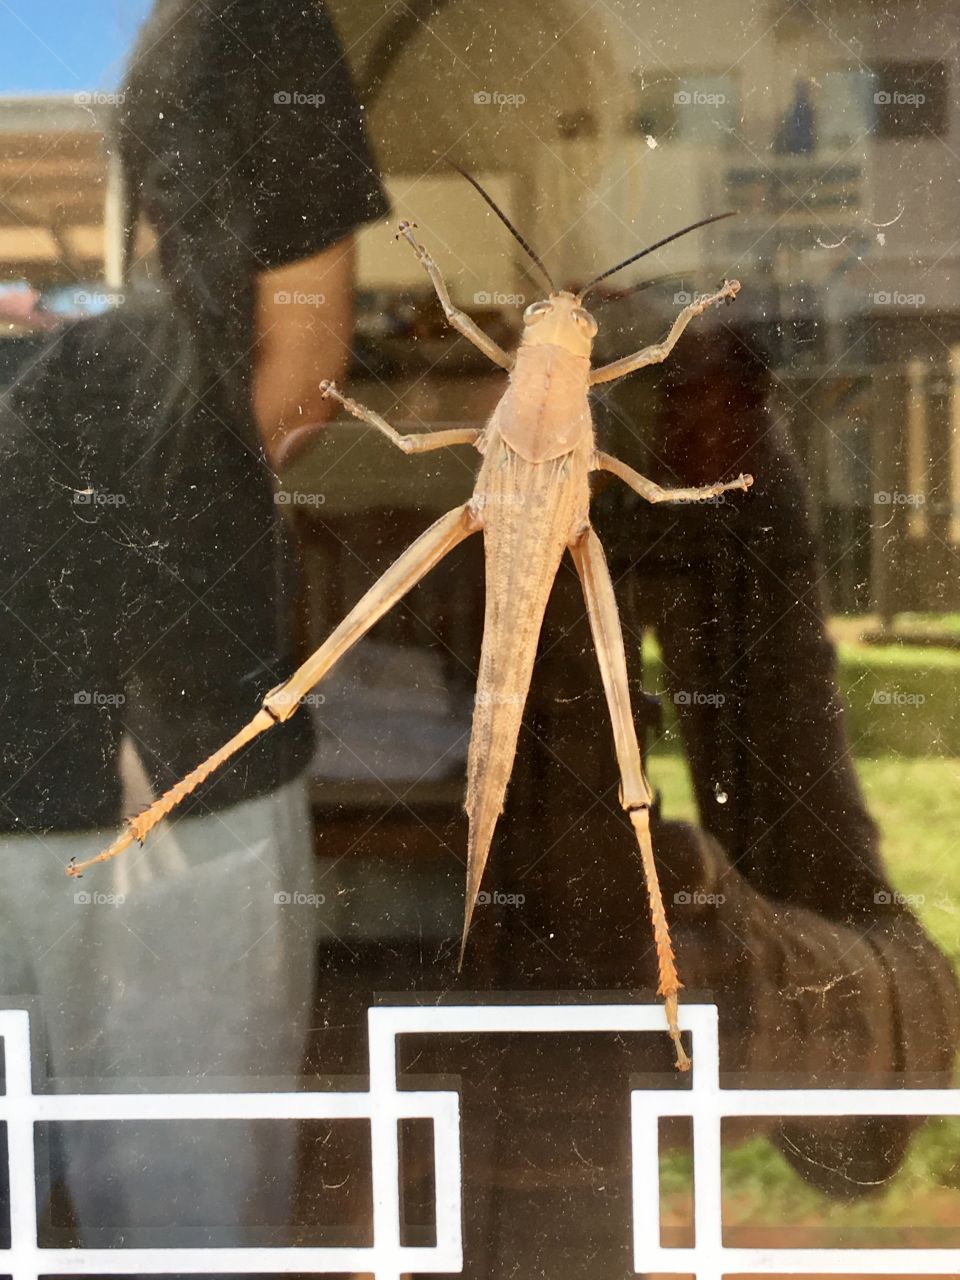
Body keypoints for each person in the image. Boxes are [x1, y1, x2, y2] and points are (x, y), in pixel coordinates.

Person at [0, 0, 387, 1243]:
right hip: (158, 749)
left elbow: (295, 369)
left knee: (181, 1238)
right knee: (182, 1239)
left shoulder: (240, 22)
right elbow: (302, 364)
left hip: (159, 749)